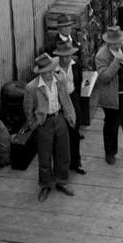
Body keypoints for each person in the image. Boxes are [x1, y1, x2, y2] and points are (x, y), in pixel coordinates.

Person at [22, 53, 76, 202]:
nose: (50, 74)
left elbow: (65, 99)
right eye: (46, 72)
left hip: (59, 118)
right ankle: (45, 185)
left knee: (63, 153)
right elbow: (27, 109)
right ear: (40, 73)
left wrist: (69, 116)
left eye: (51, 70)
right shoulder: (32, 87)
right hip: (44, 123)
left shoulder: (59, 80)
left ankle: (62, 182)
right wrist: (34, 123)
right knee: (44, 156)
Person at [95, 27, 123, 165]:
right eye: (114, 43)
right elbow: (104, 77)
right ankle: (110, 153)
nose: (117, 45)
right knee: (111, 124)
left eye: (119, 42)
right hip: (112, 96)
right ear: (108, 42)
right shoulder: (101, 56)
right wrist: (116, 62)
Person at [53, 42, 86, 176]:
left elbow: (79, 82)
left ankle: (75, 162)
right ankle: (60, 165)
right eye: (63, 56)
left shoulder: (75, 65)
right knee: (60, 134)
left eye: (68, 56)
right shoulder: (54, 68)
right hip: (59, 100)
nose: (66, 59)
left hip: (73, 97)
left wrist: (77, 100)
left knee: (75, 131)